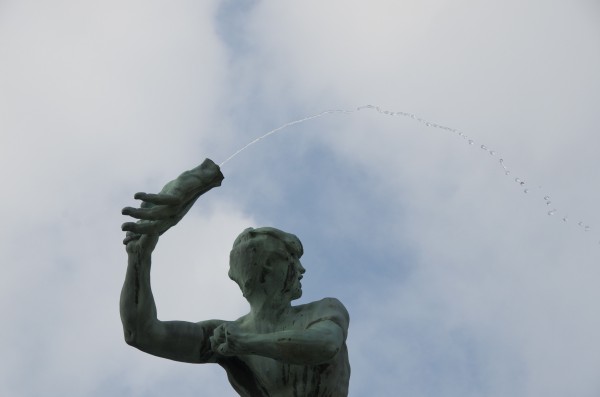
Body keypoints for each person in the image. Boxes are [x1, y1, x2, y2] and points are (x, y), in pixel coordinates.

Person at [120, 159, 350, 397]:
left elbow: (326, 345)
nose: (302, 269)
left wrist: (248, 344)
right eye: (292, 259)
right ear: (269, 266)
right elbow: (141, 334)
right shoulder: (225, 335)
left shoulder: (323, 310)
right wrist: (139, 257)